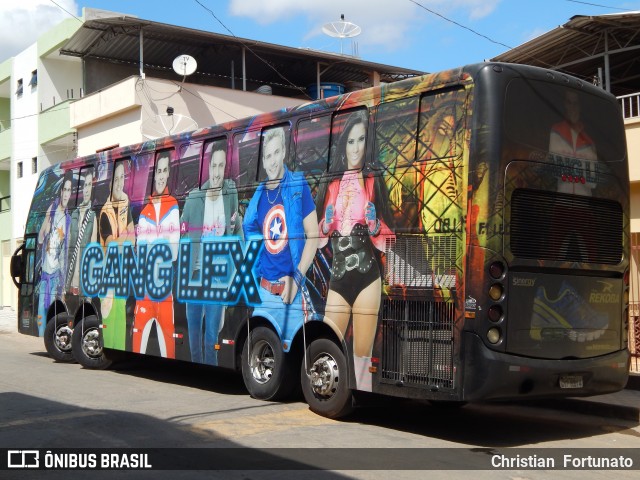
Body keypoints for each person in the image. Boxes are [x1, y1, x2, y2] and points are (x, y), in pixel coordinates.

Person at [315, 110, 395, 392]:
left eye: (361, 140)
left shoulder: (374, 180)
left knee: (363, 355)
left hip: (368, 278)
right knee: (327, 343)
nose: (356, 147)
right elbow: (315, 237)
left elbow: (390, 238)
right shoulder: (331, 181)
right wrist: (325, 223)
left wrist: (374, 225)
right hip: (338, 277)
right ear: (343, 145)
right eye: (351, 141)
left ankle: (363, 394)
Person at [243, 127, 318, 347]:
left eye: (276, 153)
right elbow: (252, 238)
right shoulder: (258, 197)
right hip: (264, 293)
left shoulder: (297, 184)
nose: (273, 160)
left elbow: (313, 235)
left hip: (292, 293)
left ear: (284, 152)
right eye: (268, 156)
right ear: (263, 162)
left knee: (299, 350)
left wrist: (296, 278)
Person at [180, 142, 243, 365]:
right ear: (208, 168)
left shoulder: (231, 192)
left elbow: (237, 232)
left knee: (211, 340)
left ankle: (211, 375)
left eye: (221, 166)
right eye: (213, 166)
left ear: (225, 167)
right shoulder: (195, 197)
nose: (216, 172)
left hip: (217, 279)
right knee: (194, 341)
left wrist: (232, 274)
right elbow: (182, 236)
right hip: (196, 276)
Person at [132, 152, 180, 358]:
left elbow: (175, 253)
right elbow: (141, 254)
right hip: (144, 292)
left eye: (164, 171)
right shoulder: (144, 212)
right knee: (137, 342)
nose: (161, 176)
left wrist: (155, 247)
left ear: (169, 173)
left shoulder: (174, 206)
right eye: (158, 171)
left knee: (169, 346)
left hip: (165, 292)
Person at [98, 161, 135, 350]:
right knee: (109, 317)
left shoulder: (125, 203)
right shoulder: (105, 212)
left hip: (122, 274)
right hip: (110, 277)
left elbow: (133, 237)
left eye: (123, 177)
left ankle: (116, 348)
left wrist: (125, 237)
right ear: (110, 184)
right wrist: (125, 237)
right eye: (117, 179)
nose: (120, 182)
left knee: (120, 319)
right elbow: (112, 244)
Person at [37, 170, 73, 336]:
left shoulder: (68, 219)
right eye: (65, 189)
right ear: (61, 191)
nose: (66, 194)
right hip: (44, 273)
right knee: (40, 316)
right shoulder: (52, 208)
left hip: (56, 275)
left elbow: (67, 253)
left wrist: (64, 283)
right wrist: (42, 237)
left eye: (69, 190)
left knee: (51, 316)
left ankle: (51, 339)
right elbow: (41, 234)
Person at [549, 89, 597, 196]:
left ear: (580, 107)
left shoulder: (589, 142)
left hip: (584, 204)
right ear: (565, 105)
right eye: (569, 103)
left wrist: (570, 168)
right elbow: (555, 170)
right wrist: (581, 170)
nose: (572, 108)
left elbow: (593, 181)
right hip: (562, 202)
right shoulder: (556, 132)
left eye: (575, 103)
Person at [65, 167, 98, 301]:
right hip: (72, 281)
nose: (86, 189)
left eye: (90, 185)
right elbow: (67, 247)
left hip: (85, 282)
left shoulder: (92, 216)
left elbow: (94, 252)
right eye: (85, 185)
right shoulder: (74, 215)